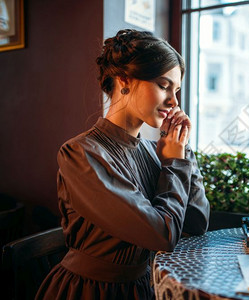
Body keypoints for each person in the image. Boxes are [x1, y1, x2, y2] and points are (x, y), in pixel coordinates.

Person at [35, 29, 210, 300]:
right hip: (89, 291)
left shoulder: (157, 152)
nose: (174, 101)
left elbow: (196, 224)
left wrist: (183, 151)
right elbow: (162, 236)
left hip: (143, 288)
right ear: (124, 79)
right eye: (164, 85)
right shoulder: (81, 154)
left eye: (176, 90)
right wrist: (174, 163)